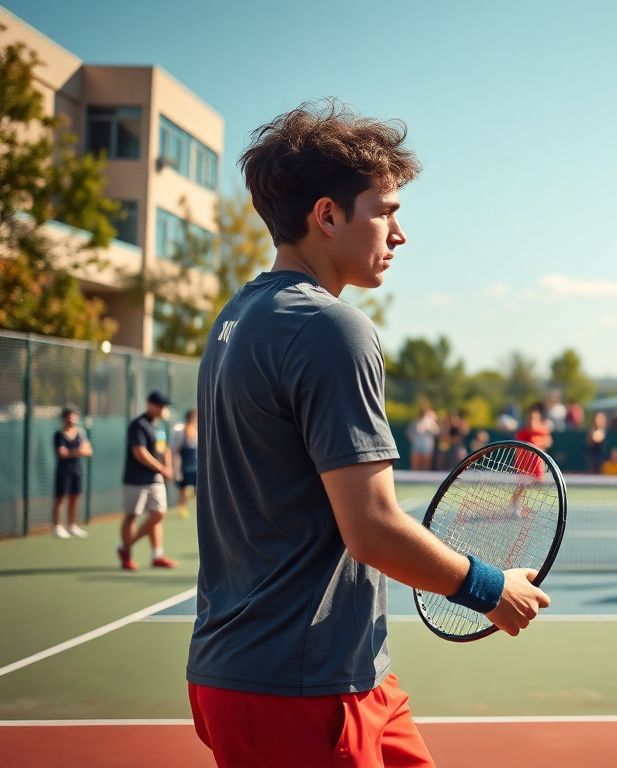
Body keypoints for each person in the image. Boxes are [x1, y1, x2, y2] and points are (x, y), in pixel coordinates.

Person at [188, 102, 548, 767]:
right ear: (327, 216)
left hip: (336, 670)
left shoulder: (236, 318)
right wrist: (490, 589)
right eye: (385, 212)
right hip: (297, 686)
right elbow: (373, 527)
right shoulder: (331, 328)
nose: (399, 233)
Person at [119, 391, 175, 569]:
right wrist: (162, 469)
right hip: (136, 479)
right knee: (132, 516)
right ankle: (127, 554)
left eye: (164, 406)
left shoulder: (159, 426)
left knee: (158, 514)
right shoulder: (138, 425)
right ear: (150, 404)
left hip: (155, 479)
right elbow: (140, 453)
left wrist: (168, 468)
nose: (163, 409)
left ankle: (155, 555)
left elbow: (164, 449)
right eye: (160, 405)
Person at [52, 406, 92, 539]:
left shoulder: (81, 433)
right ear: (64, 418)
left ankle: (72, 525)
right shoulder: (59, 434)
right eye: (69, 417)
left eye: (74, 417)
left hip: (77, 469)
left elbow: (88, 451)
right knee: (61, 498)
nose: (72, 419)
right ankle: (57, 527)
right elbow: (62, 453)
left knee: (74, 497)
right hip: (63, 470)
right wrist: (76, 451)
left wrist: (77, 451)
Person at [172, 409, 199, 520]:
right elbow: (176, 449)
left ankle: (198, 508)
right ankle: (182, 507)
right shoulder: (181, 431)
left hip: (196, 463)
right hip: (185, 463)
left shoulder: (198, 430)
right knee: (183, 487)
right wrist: (176, 468)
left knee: (198, 487)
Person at [406, 404, 438, 471]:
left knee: (426, 463)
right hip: (417, 443)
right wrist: (413, 438)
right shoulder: (416, 421)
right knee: (415, 462)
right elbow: (409, 432)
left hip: (427, 443)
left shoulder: (431, 422)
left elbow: (436, 432)